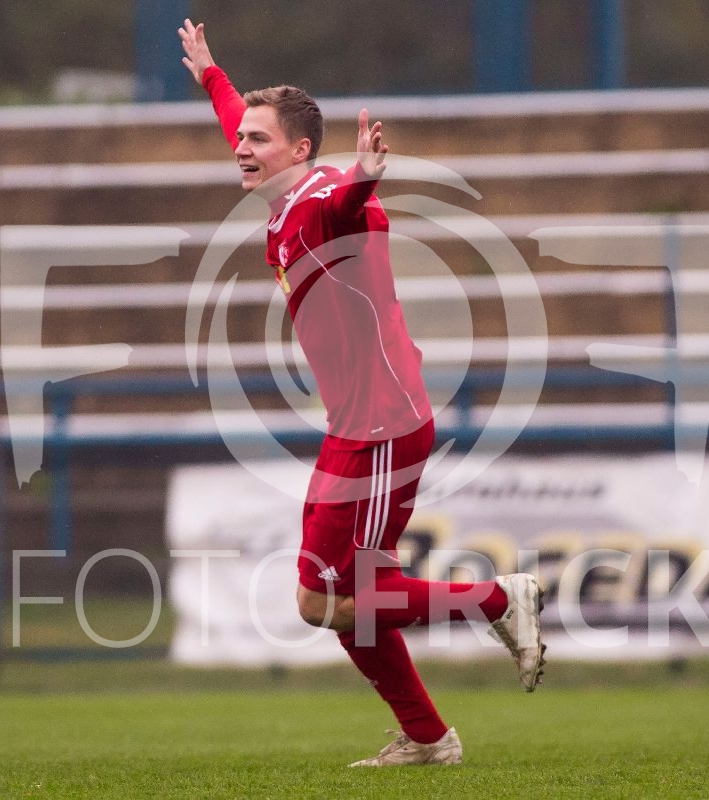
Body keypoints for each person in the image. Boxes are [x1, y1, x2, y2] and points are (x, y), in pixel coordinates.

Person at [179, 19, 545, 767]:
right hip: (355, 428)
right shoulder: (287, 192)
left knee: (330, 603)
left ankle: (500, 602)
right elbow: (240, 121)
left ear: (301, 151)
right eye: (242, 137)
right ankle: (428, 739)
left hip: (383, 430)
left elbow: (346, 210)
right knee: (343, 603)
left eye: (257, 139)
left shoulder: (322, 201)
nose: (242, 146)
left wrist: (366, 178)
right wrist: (212, 75)